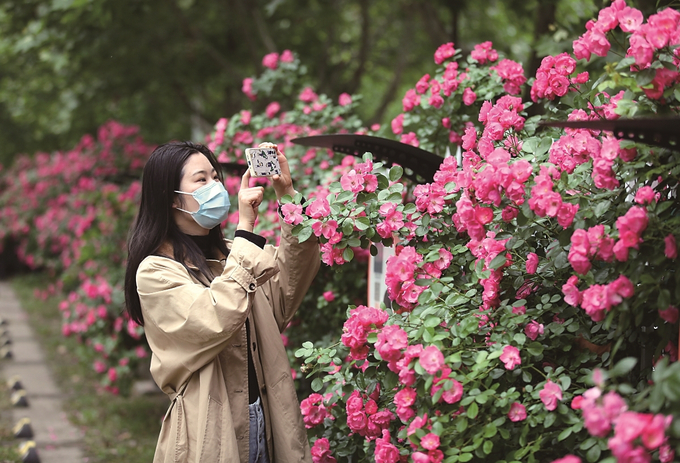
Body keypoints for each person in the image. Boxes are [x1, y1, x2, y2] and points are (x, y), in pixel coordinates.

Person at [123, 141, 320, 463]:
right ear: (172, 198)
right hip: (210, 432)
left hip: (267, 417)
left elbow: (286, 292)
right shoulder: (155, 270)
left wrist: (287, 196)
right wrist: (246, 229)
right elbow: (214, 318)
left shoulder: (232, 255)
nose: (215, 186)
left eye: (215, 177)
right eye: (201, 179)